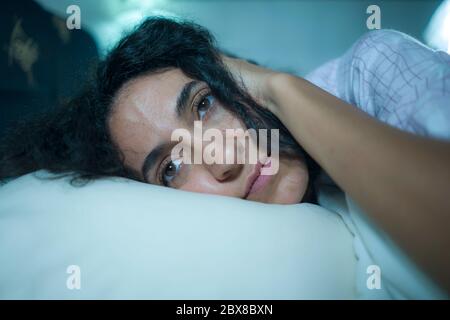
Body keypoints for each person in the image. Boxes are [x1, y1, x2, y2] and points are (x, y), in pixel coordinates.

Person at [0, 17, 449, 293]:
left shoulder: (367, 71)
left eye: (203, 105)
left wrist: (279, 87)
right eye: (171, 168)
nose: (224, 159)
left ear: (235, 75)